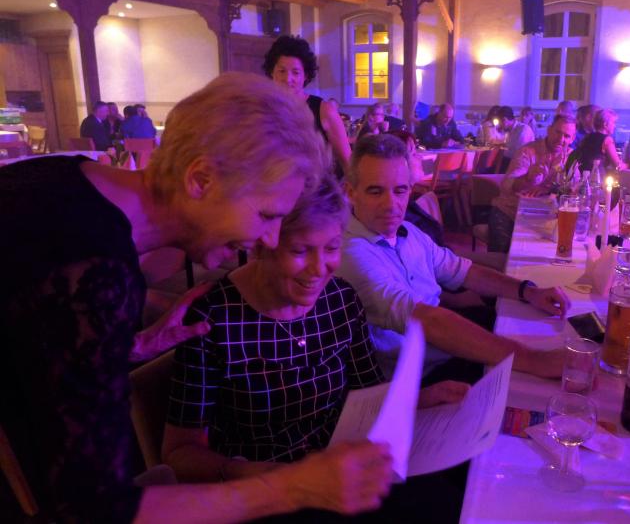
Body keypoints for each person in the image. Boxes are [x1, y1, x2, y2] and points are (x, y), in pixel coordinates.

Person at [0, 72, 393, 523]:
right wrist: (292, 487)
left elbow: (26, 331)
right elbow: (94, 510)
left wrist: (118, 346)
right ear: (200, 179)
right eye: (267, 215)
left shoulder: (63, 179)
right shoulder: (94, 268)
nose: (267, 239)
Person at [162, 176, 466, 521]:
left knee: (454, 498)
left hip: (342, 472)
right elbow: (179, 453)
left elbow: (368, 393)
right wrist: (250, 472)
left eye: (332, 248)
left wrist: (421, 398)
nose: (319, 269)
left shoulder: (341, 299)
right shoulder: (214, 317)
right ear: (261, 245)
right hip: (267, 495)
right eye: (300, 251)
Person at [338, 134, 570, 382]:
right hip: (421, 378)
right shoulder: (351, 253)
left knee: (546, 331)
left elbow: (465, 271)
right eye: (375, 191)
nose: (391, 204)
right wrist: (534, 361)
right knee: (540, 379)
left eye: (400, 190)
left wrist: (528, 291)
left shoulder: (409, 232)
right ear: (351, 193)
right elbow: (427, 320)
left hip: (444, 348)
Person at [487, 115, 577, 253]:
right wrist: (528, 179)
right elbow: (507, 186)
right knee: (503, 257)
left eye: (566, 136)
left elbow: (574, 188)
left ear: (572, 139)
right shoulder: (527, 151)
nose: (561, 139)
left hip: (544, 219)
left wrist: (547, 189)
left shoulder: (571, 157)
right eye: (557, 132)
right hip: (510, 212)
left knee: (548, 251)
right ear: (549, 130)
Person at [264, 35, 351, 175]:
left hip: (316, 186)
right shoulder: (263, 109)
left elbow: (348, 162)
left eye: (295, 72)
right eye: (282, 71)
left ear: (305, 76)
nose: (288, 79)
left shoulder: (324, 110)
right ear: (272, 73)